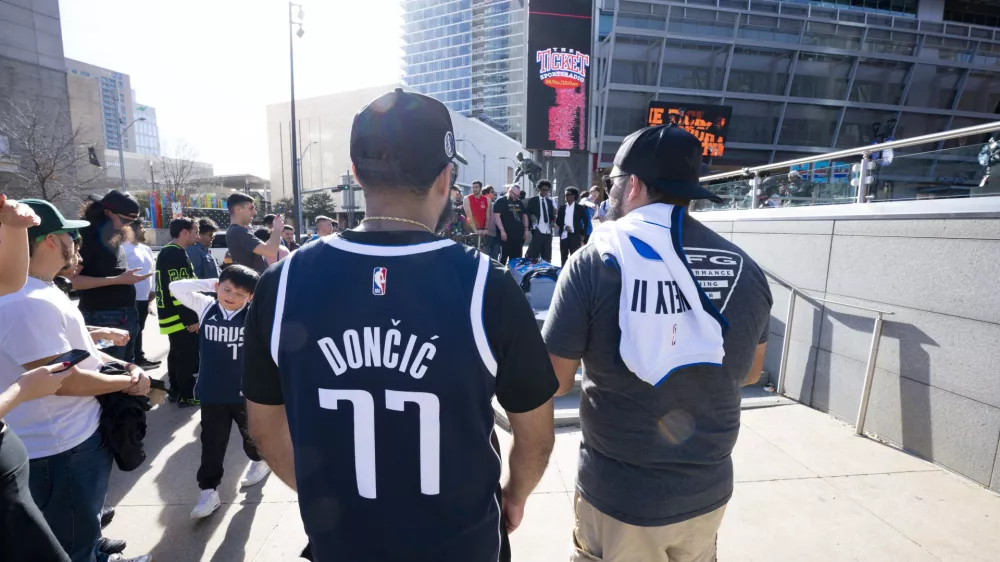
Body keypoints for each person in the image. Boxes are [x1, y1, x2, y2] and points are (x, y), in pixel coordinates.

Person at [242, 88, 557, 562]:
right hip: (462, 543)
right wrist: (513, 496)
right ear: (446, 177)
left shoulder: (281, 284)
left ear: (355, 172)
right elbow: (536, 437)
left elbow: (264, 430)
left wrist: (327, 499)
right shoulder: (486, 286)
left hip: (343, 544)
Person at [543, 124, 772, 562]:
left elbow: (553, 380)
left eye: (611, 183)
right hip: (707, 495)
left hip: (621, 499)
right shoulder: (746, 268)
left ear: (633, 185)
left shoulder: (596, 260)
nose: (607, 192)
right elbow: (751, 371)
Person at [0, 199, 152, 562]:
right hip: (58, 448)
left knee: (82, 523)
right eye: (70, 234)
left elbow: (72, 351)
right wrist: (127, 382)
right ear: (51, 240)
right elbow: (63, 380)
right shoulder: (26, 300)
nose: (76, 242)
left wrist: (119, 365)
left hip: (71, 438)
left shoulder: (43, 287)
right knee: (71, 543)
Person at [169, 265, 271, 520]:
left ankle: (260, 461)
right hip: (212, 391)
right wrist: (214, 282)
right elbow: (175, 287)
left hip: (245, 393)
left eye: (239, 293)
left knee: (251, 436)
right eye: (227, 289)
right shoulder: (206, 307)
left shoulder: (255, 314)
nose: (231, 296)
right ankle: (208, 490)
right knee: (212, 442)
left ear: (250, 297)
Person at [73, 191, 152, 362]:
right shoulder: (88, 236)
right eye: (125, 220)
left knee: (125, 370)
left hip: (123, 314)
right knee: (110, 371)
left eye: (132, 221)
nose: (128, 225)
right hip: (102, 316)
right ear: (107, 212)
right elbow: (72, 281)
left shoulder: (111, 235)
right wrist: (119, 280)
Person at [156, 218, 201, 406]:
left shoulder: (169, 252)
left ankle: (175, 391)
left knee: (176, 355)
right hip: (180, 318)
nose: (197, 236)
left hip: (171, 316)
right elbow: (179, 291)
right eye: (196, 231)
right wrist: (191, 319)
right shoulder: (175, 254)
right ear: (184, 232)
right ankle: (187, 395)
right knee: (187, 358)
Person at [122, 220, 159, 369]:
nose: (143, 231)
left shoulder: (146, 249)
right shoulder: (123, 248)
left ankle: (139, 358)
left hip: (145, 297)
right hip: (130, 298)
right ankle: (130, 362)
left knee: (140, 329)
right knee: (132, 331)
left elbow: (152, 270)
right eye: (140, 228)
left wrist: (153, 290)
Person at [225, 193, 283, 273]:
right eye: (251, 208)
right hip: (251, 283)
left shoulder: (236, 230)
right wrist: (277, 229)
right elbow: (271, 252)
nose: (255, 212)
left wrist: (275, 229)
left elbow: (266, 247)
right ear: (238, 209)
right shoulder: (238, 231)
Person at [493, 184, 528, 265]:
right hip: (506, 237)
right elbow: (496, 216)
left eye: (518, 196)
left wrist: (526, 230)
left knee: (517, 260)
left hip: (518, 237)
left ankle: (514, 276)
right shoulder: (501, 201)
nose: (516, 197)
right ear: (509, 191)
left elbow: (525, 216)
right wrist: (502, 231)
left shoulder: (519, 202)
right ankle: (501, 276)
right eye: (515, 195)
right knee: (503, 259)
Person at [524, 180, 557, 262]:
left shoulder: (550, 202)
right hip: (538, 230)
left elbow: (551, 215)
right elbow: (527, 213)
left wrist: (553, 221)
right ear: (539, 189)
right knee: (533, 256)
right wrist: (531, 218)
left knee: (547, 257)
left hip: (548, 232)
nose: (545, 191)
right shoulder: (533, 200)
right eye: (543, 189)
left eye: (547, 190)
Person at [556, 186, 590, 264]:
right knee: (563, 258)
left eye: (568, 195)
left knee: (575, 258)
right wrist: (564, 227)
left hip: (575, 236)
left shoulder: (579, 208)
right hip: (564, 236)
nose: (566, 197)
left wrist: (583, 233)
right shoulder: (562, 208)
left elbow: (586, 221)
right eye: (565, 195)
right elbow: (558, 221)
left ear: (574, 196)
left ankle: (574, 275)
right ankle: (564, 274)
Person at [481, 185, 501, 260]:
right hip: (485, 236)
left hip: (496, 235)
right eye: (492, 192)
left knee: (495, 258)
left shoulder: (495, 204)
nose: (494, 194)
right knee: (485, 257)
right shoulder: (481, 204)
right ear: (486, 193)